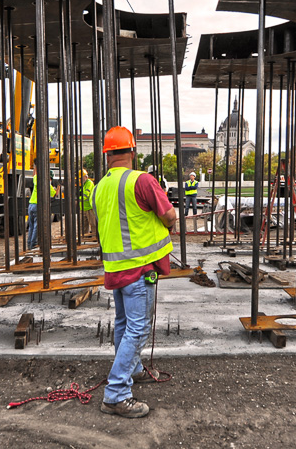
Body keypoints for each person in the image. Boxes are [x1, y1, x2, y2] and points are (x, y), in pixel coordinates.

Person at [94, 126, 177, 418]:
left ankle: (135, 368)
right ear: (132, 151)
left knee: (122, 324)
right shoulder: (141, 180)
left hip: (115, 268)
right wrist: (169, 224)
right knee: (138, 328)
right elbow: (169, 215)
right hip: (140, 269)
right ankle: (116, 394)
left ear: (107, 155)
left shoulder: (98, 187)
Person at [26, 160, 57, 251]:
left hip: (31, 205)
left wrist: (35, 166)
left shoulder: (36, 178)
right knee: (37, 225)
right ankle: (33, 244)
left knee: (31, 226)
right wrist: (58, 186)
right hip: (37, 206)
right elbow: (54, 194)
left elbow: (34, 174)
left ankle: (29, 244)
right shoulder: (47, 184)